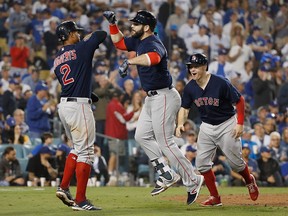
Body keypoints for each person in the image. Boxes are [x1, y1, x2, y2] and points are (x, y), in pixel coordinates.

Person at [103, 10, 203, 205]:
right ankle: (166, 173)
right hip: (152, 98)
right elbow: (119, 43)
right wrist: (113, 24)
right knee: (141, 136)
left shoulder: (153, 43)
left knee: (166, 142)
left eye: (136, 24)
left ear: (146, 27)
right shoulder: (139, 41)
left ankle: (193, 179)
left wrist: (130, 61)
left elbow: (154, 59)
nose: (131, 26)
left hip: (164, 96)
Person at [176, 53, 259, 207]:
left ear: (204, 66)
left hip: (226, 124)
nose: (192, 70)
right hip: (207, 126)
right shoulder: (190, 87)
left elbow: (239, 100)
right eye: (190, 67)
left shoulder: (220, 82)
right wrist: (180, 123)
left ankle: (249, 180)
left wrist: (240, 123)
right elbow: (184, 107)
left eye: (195, 66)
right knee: (201, 164)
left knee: (236, 164)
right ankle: (215, 197)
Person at [53, 20, 107, 211]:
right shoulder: (81, 48)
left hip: (64, 106)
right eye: (75, 32)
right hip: (79, 107)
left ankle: (64, 186)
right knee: (86, 152)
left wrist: (87, 92)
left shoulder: (57, 59)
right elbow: (101, 34)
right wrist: (85, 40)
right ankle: (81, 200)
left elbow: (70, 81)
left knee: (77, 148)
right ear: (68, 34)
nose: (77, 34)